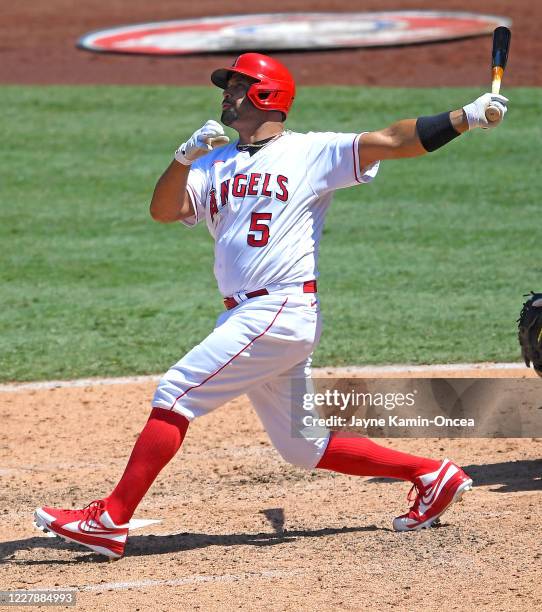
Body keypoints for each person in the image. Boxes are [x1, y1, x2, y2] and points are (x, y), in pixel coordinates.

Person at [34, 53, 508, 559]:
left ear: (266, 95)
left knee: (176, 391)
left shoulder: (311, 153)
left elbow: (392, 140)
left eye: (237, 86)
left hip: (279, 310)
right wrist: (182, 158)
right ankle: (431, 475)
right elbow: (163, 211)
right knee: (303, 445)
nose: (226, 95)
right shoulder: (213, 161)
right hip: (247, 315)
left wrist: (467, 116)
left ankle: (111, 518)